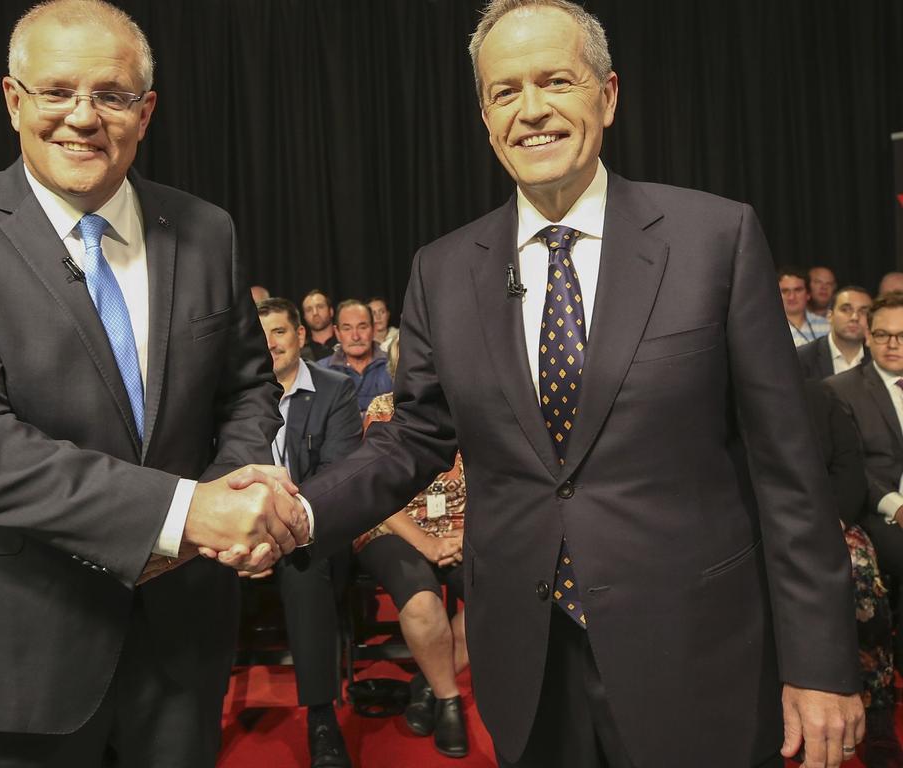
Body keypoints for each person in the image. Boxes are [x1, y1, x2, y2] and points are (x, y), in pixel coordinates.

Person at [297, 2, 863, 767]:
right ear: (484, 115)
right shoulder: (443, 269)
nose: (531, 110)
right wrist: (302, 510)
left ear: (609, 94)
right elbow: (416, 436)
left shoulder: (714, 240)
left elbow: (788, 470)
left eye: (555, 80)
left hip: (697, 651)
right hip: (531, 661)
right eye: (504, 92)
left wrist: (819, 662)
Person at [0, 1, 306, 765]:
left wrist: (229, 496)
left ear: (145, 113)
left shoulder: (208, 229)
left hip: (182, 642)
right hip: (14, 650)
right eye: (56, 91)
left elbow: (247, 390)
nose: (82, 117)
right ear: (14, 101)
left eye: (110, 95)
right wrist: (187, 513)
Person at [256, 298, 361, 768]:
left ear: (299, 336)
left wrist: (286, 522)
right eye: (262, 335)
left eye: (279, 332)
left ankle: (321, 716)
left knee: (304, 565)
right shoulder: (237, 395)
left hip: (312, 529)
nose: (270, 343)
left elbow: (338, 476)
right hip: (246, 527)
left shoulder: (336, 390)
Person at [354, 336, 469, 758]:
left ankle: (428, 683)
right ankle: (449, 702)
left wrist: (465, 536)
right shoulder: (383, 410)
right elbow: (373, 495)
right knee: (421, 601)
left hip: (462, 532)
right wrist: (426, 541)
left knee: (503, 594)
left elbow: (497, 485)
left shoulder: (474, 410)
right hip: (392, 529)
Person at [803, 380, 903, 768]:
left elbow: (850, 470)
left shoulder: (821, 397)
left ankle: (877, 710)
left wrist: (834, 521)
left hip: (830, 519)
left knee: (862, 578)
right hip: (756, 527)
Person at [825, 292, 903, 692]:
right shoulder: (842, 388)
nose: (893, 344)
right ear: (869, 338)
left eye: (902, 336)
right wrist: (898, 506)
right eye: (884, 335)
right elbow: (855, 468)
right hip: (877, 510)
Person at [318, 300, 392, 413]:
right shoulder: (320, 371)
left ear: (373, 329)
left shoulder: (394, 366)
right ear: (337, 333)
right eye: (347, 329)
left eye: (362, 327)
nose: (355, 337)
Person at [797, 285, 872, 380]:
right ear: (830, 316)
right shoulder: (802, 358)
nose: (855, 317)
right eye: (846, 310)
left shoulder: (878, 357)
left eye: (863, 312)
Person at [780, 266, 830, 346]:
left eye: (798, 290)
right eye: (785, 291)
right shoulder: (767, 327)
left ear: (808, 294)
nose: (791, 297)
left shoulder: (828, 326)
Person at [303, 290, 338, 361]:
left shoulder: (345, 342)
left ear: (331, 311)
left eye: (320, 307)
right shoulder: (301, 351)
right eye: (309, 310)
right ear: (304, 317)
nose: (315, 313)